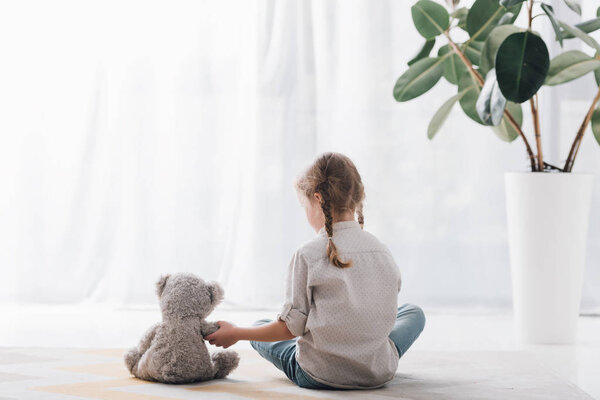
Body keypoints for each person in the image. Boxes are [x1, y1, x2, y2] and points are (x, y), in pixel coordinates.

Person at [206, 152, 425, 389]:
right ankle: (371, 355)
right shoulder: (382, 251)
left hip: (318, 375)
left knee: (260, 324)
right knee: (413, 313)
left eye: (305, 206)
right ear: (357, 198)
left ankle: (251, 332)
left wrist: (237, 332)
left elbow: (289, 328)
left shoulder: (307, 254)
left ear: (318, 199)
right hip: (377, 372)